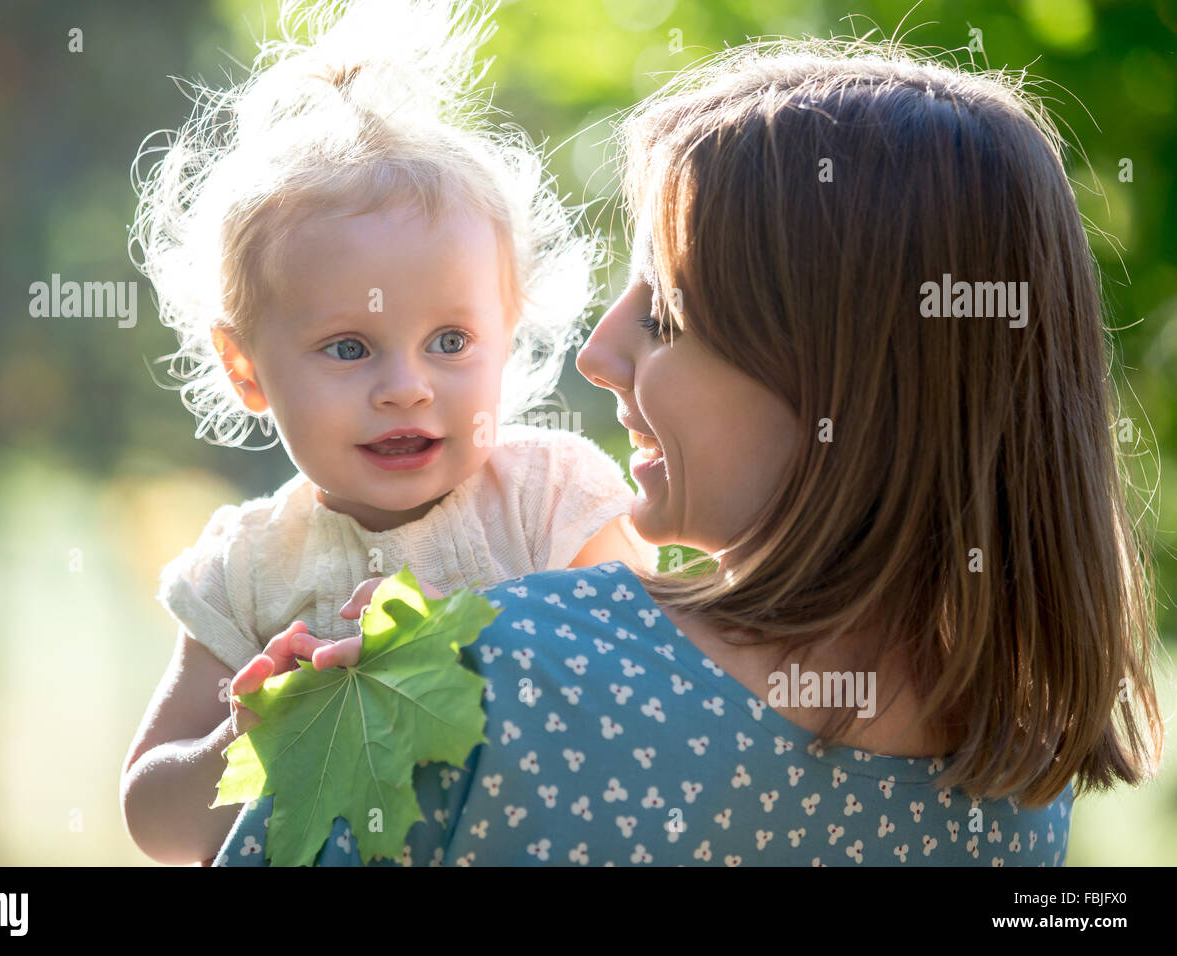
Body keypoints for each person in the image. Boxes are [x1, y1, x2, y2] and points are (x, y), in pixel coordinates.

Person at [213, 32, 1164, 866]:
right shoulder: (1021, 789)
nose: (596, 352)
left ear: (843, 385)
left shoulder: (480, 670)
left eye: (665, 316)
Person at [118, 0, 657, 867]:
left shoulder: (551, 502)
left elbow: (655, 703)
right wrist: (249, 738)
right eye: (349, 347)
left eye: (450, 342)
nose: (405, 388)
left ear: (508, 334)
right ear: (245, 367)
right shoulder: (248, 570)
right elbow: (152, 816)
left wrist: (482, 651)